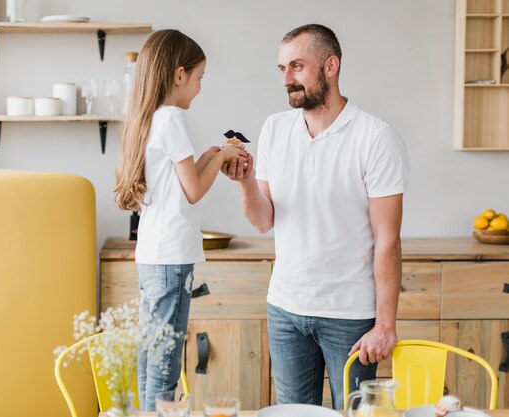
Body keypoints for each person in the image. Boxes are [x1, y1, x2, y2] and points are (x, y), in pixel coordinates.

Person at [224, 24, 411, 409]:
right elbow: (264, 220)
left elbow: (388, 238)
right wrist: (244, 184)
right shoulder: (275, 129)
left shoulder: (375, 138)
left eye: (297, 66)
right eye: (282, 69)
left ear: (331, 65)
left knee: (354, 412)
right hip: (286, 309)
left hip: (350, 314)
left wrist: (385, 324)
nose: (287, 79)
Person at [114, 29, 247, 411]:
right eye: (200, 77)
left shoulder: (150, 118)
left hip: (153, 254)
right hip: (172, 257)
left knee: (150, 352)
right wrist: (222, 158)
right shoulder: (172, 117)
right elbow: (193, 191)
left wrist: (211, 154)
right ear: (178, 75)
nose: (200, 87)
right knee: (165, 360)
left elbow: (177, 182)